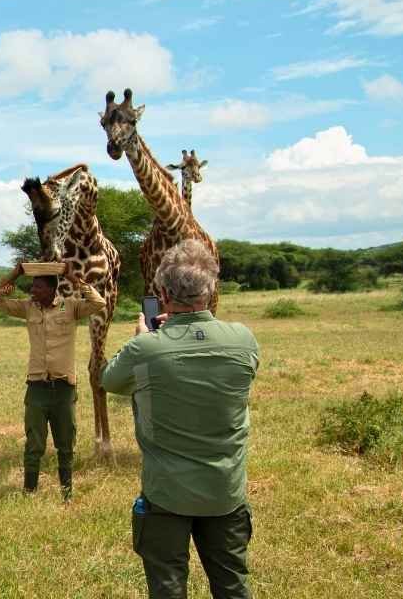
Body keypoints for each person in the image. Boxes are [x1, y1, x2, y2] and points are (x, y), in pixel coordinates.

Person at [102, 240, 259, 599]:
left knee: (168, 587)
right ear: (211, 289)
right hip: (226, 491)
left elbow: (111, 380)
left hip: (166, 493)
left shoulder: (147, 348)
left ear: (162, 292)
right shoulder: (244, 339)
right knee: (233, 585)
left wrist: (144, 340)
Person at [0, 262, 106, 499]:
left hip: (64, 388)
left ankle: (67, 492)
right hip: (37, 387)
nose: (33, 291)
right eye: (32, 286)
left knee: (66, 443)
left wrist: (73, 278)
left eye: (38, 287)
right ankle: (29, 492)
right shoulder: (28, 308)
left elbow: (98, 303)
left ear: (52, 289)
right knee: (34, 444)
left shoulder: (70, 306)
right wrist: (14, 274)